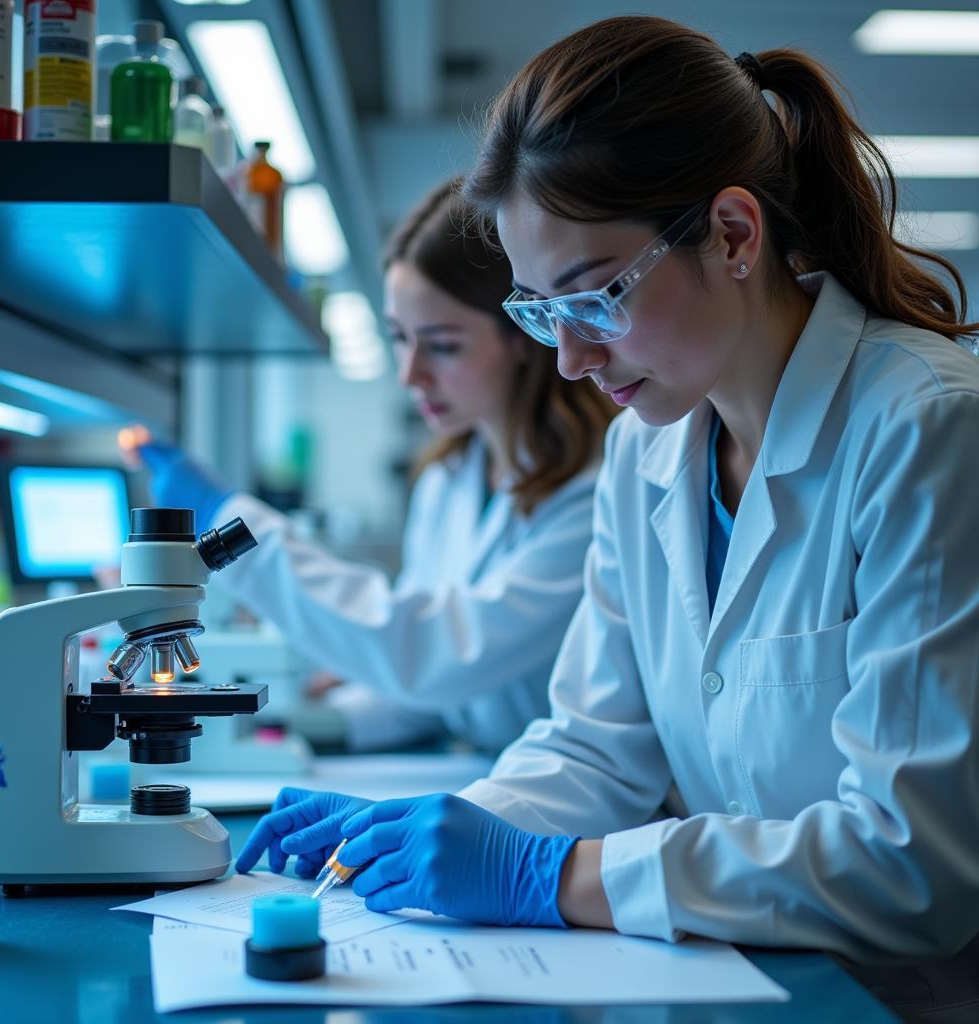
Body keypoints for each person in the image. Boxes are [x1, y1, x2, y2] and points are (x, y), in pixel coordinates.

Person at [235, 15, 979, 1014]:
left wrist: (546, 877)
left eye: (593, 296)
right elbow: (594, 744)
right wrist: (439, 832)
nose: (572, 359)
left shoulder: (923, 429)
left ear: (731, 234)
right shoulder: (650, 447)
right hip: (732, 979)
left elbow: (906, 861)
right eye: (541, 312)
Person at [136, 177, 616, 756]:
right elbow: (424, 685)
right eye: (399, 338)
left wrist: (231, 523)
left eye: (442, 345)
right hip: (481, 767)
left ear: (524, 332)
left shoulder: (591, 495)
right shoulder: (449, 478)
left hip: (562, 796)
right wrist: (309, 726)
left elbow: (434, 655)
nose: (410, 375)